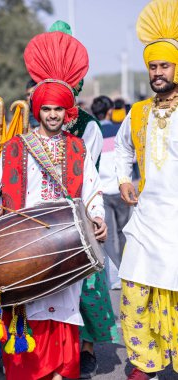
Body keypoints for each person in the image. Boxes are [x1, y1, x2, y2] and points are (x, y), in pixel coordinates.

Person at [0, 30, 107, 380]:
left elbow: (92, 189)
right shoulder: (16, 147)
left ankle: (61, 370)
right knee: (27, 309)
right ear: (38, 109)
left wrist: (98, 217)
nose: (53, 115)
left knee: (63, 314)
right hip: (23, 244)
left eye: (59, 108)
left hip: (65, 243)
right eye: (47, 108)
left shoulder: (77, 148)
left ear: (67, 110)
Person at [48, 20, 119, 379]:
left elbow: (86, 174)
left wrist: (87, 214)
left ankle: (88, 349)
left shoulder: (88, 125)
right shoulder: (36, 121)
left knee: (89, 282)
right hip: (45, 218)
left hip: (79, 212)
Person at [115, 0, 178, 379]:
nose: (157, 72)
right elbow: (122, 150)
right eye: (153, 66)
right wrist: (123, 179)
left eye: (164, 65)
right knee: (134, 288)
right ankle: (143, 362)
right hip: (147, 218)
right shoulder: (137, 113)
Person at [92, 95, 131, 290]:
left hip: (102, 193)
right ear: (109, 111)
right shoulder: (118, 130)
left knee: (107, 235)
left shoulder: (92, 133)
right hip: (120, 189)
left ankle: (115, 272)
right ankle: (126, 268)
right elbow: (129, 159)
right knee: (123, 232)